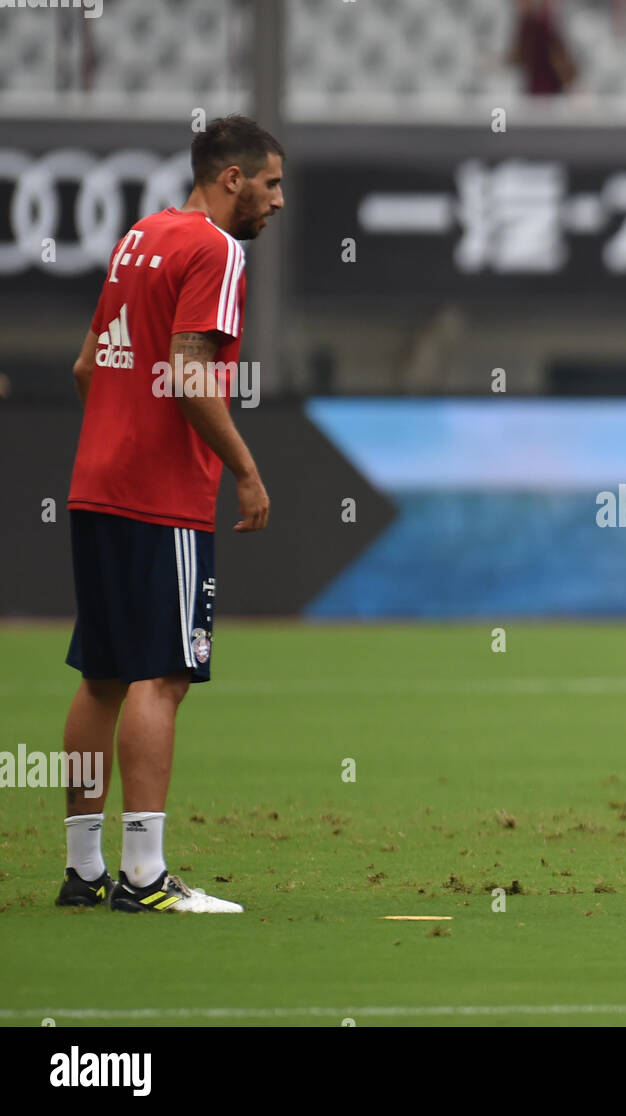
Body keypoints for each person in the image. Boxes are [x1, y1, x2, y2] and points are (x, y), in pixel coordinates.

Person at [56, 114, 284, 913]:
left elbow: (89, 366)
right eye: (271, 183)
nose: (278, 202)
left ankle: (84, 871)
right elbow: (190, 374)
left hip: (97, 483)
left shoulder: (139, 236)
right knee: (165, 671)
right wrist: (245, 470)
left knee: (102, 675)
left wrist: (123, 429)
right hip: (162, 497)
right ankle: (145, 877)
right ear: (232, 179)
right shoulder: (216, 251)